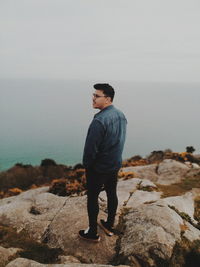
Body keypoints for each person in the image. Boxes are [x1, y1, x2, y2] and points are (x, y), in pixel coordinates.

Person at [79, 83, 127, 242]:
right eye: (93, 95)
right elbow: (119, 141)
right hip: (114, 164)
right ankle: (109, 223)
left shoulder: (99, 121)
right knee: (111, 193)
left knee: (92, 197)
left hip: (98, 168)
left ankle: (92, 232)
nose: (92, 98)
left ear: (107, 99)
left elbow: (90, 149)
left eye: (96, 96)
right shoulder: (120, 115)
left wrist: (87, 166)